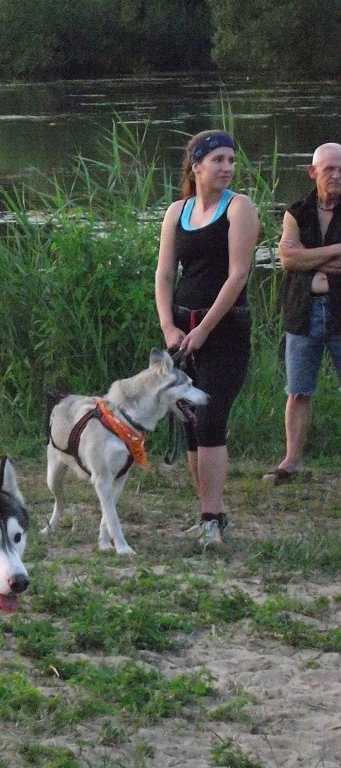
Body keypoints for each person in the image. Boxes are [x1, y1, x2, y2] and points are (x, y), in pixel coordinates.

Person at [155, 130, 261, 548]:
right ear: (195, 166)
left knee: (212, 418)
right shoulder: (175, 211)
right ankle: (206, 514)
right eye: (218, 160)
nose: (227, 168)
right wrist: (170, 327)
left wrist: (204, 330)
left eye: (231, 160)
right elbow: (164, 274)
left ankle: (212, 519)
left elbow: (238, 276)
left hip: (225, 330)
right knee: (191, 426)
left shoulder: (241, 208)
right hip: (183, 330)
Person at [263, 142, 341, 483]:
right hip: (303, 311)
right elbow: (289, 260)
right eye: (330, 169)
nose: (337, 175)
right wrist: (335, 252)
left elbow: (299, 258)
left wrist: (308, 255)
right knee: (299, 390)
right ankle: (292, 460)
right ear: (313, 172)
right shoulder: (296, 212)